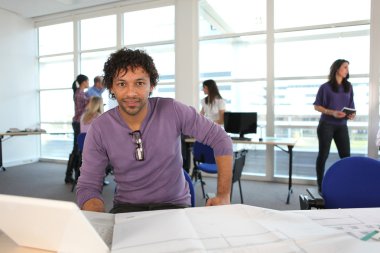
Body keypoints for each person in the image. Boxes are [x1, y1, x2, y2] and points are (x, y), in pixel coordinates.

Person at [76, 48, 233, 213]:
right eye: (122, 84)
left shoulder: (172, 110)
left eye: (139, 83)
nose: (131, 93)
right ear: (112, 88)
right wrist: (98, 217)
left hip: (174, 205)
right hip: (127, 208)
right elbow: (88, 185)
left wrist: (223, 195)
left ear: (152, 85)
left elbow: (221, 140)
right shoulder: (100, 127)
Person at [313, 59, 355, 194]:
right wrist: (332, 112)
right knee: (323, 155)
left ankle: (347, 184)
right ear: (337, 69)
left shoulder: (349, 86)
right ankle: (320, 185)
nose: (347, 70)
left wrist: (351, 115)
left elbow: (351, 107)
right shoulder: (325, 87)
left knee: (346, 157)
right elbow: (317, 106)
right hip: (326, 125)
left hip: (342, 126)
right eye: (345, 67)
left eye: (348, 67)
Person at [65, 74, 90, 184]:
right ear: (84, 82)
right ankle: (68, 175)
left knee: (77, 149)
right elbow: (84, 109)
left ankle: (73, 174)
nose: (89, 83)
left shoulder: (81, 93)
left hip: (79, 123)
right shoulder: (80, 94)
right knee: (76, 150)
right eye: (88, 81)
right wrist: (91, 104)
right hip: (78, 123)